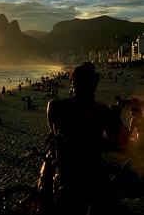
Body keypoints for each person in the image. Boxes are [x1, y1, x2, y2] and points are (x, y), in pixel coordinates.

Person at [47, 62, 124, 215]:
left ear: (73, 82)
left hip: (69, 171)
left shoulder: (57, 106)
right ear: (95, 85)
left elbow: (54, 132)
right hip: (94, 171)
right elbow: (113, 142)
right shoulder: (103, 111)